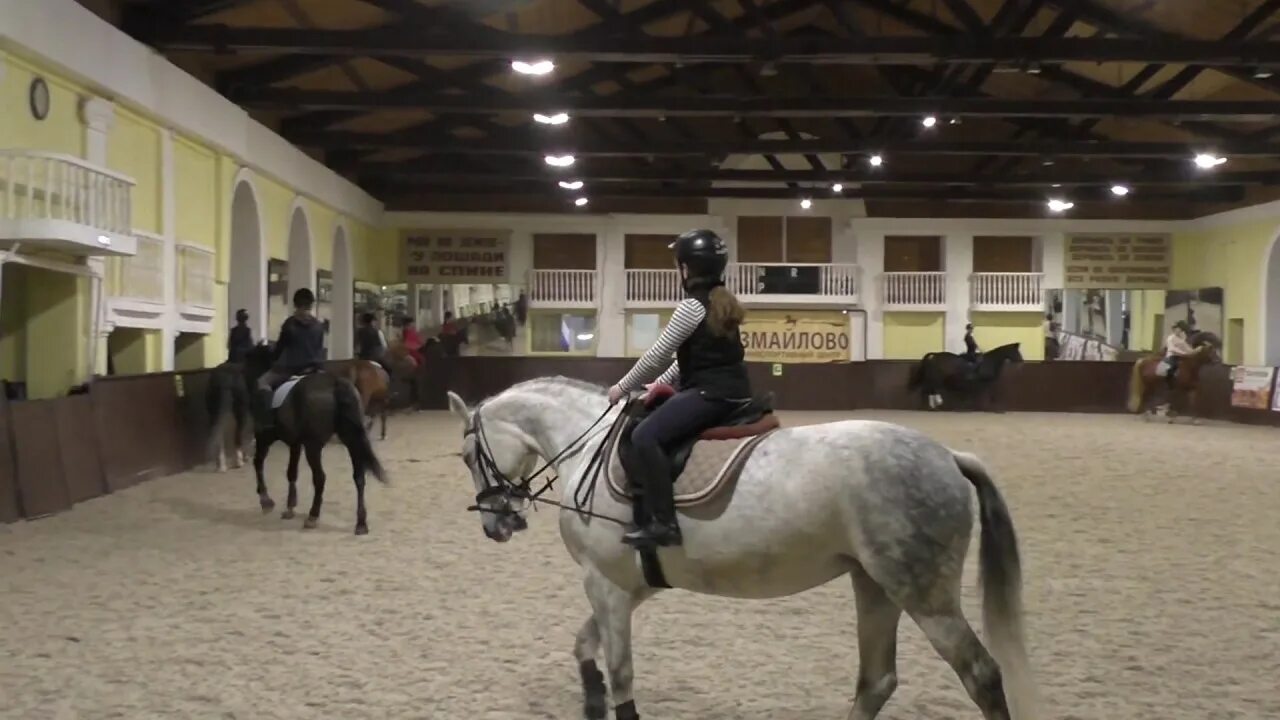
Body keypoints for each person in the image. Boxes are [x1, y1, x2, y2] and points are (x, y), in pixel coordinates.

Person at [606, 229, 751, 549]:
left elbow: (657, 354)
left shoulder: (691, 306)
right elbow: (692, 356)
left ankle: (663, 523)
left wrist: (621, 386)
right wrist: (664, 383)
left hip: (710, 395)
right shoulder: (722, 301)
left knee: (645, 435)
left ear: (686, 268)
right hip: (734, 390)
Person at [252, 288, 327, 430]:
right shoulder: (318, 326)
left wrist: (271, 356)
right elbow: (320, 349)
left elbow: (279, 349)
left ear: (296, 305)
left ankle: (267, 422)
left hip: (291, 368)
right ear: (311, 305)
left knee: (262, 381)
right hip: (315, 369)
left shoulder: (290, 324)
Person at [1163, 320, 1194, 388]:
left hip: (1182, 357)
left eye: (1180, 329)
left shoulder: (1181, 339)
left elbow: (1187, 348)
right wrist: (1184, 353)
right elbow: (1172, 349)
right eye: (1176, 328)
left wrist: (1193, 352)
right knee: (1172, 366)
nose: (1178, 330)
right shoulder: (1170, 338)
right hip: (1172, 356)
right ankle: (1169, 382)